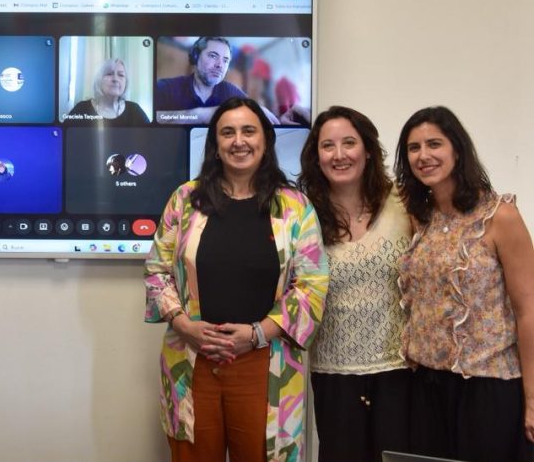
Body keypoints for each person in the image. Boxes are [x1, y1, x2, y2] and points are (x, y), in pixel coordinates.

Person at [144, 97, 328, 462]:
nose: (238, 141)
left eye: (248, 131)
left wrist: (257, 333)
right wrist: (185, 326)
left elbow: (312, 284)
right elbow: (157, 270)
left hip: (266, 362)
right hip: (192, 359)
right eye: (227, 132)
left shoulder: (294, 206)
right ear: (215, 144)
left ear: (265, 140)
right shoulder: (185, 200)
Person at [395, 106, 534, 462]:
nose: (423, 155)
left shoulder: (500, 216)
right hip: (427, 387)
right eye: (413, 148)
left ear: (457, 150)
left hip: (488, 386)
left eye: (434, 144)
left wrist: (532, 397)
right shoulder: (420, 218)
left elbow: (528, 311)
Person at [298, 106, 412, 462]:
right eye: (327, 145)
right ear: (316, 156)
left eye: (349, 142)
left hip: (400, 370)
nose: (339, 154)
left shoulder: (404, 202)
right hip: (333, 373)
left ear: (368, 150)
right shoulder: (303, 214)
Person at [66, 57, 150, 125]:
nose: (115, 79)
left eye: (121, 75)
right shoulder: (81, 109)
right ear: (99, 79)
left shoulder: (135, 110)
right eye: (109, 74)